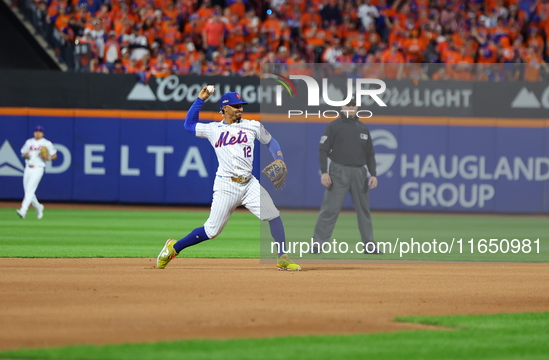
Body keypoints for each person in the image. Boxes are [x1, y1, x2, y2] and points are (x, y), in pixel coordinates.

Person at [157, 87, 301, 271]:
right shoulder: (213, 129)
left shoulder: (252, 125)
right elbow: (188, 124)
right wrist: (200, 99)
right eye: (235, 106)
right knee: (211, 231)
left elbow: (271, 142)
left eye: (241, 105)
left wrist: (279, 157)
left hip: (249, 184)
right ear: (224, 108)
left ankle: (283, 258)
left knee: (273, 215)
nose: (240, 109)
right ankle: (173, 247)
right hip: (226, 185)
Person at [311, 98, 381, 254]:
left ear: (357, 107)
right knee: (329, 209)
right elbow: (323, 150)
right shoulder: (334, 126)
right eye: (348, 105)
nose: (350, 108)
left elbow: (370, 154)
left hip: (359, 172)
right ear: (342, 106)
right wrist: (324, 172)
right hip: (338, 171)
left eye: (353, 105)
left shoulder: (362, 128)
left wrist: (373, 174)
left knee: (364, 210)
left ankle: (369, 245)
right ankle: (317, 244)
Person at [17, 126, 57, 219]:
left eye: (39, 131)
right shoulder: (29, 142)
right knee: (28, 191)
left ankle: (23, 210)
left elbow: (54, 155)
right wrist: (25, 155)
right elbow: (23, 153)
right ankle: (39, 207)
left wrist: (48, 158)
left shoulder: (46, 143)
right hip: (28, 167)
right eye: (36, 131)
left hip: (38, 168)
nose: (37, 133)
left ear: (43, 133)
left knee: (30, 189)